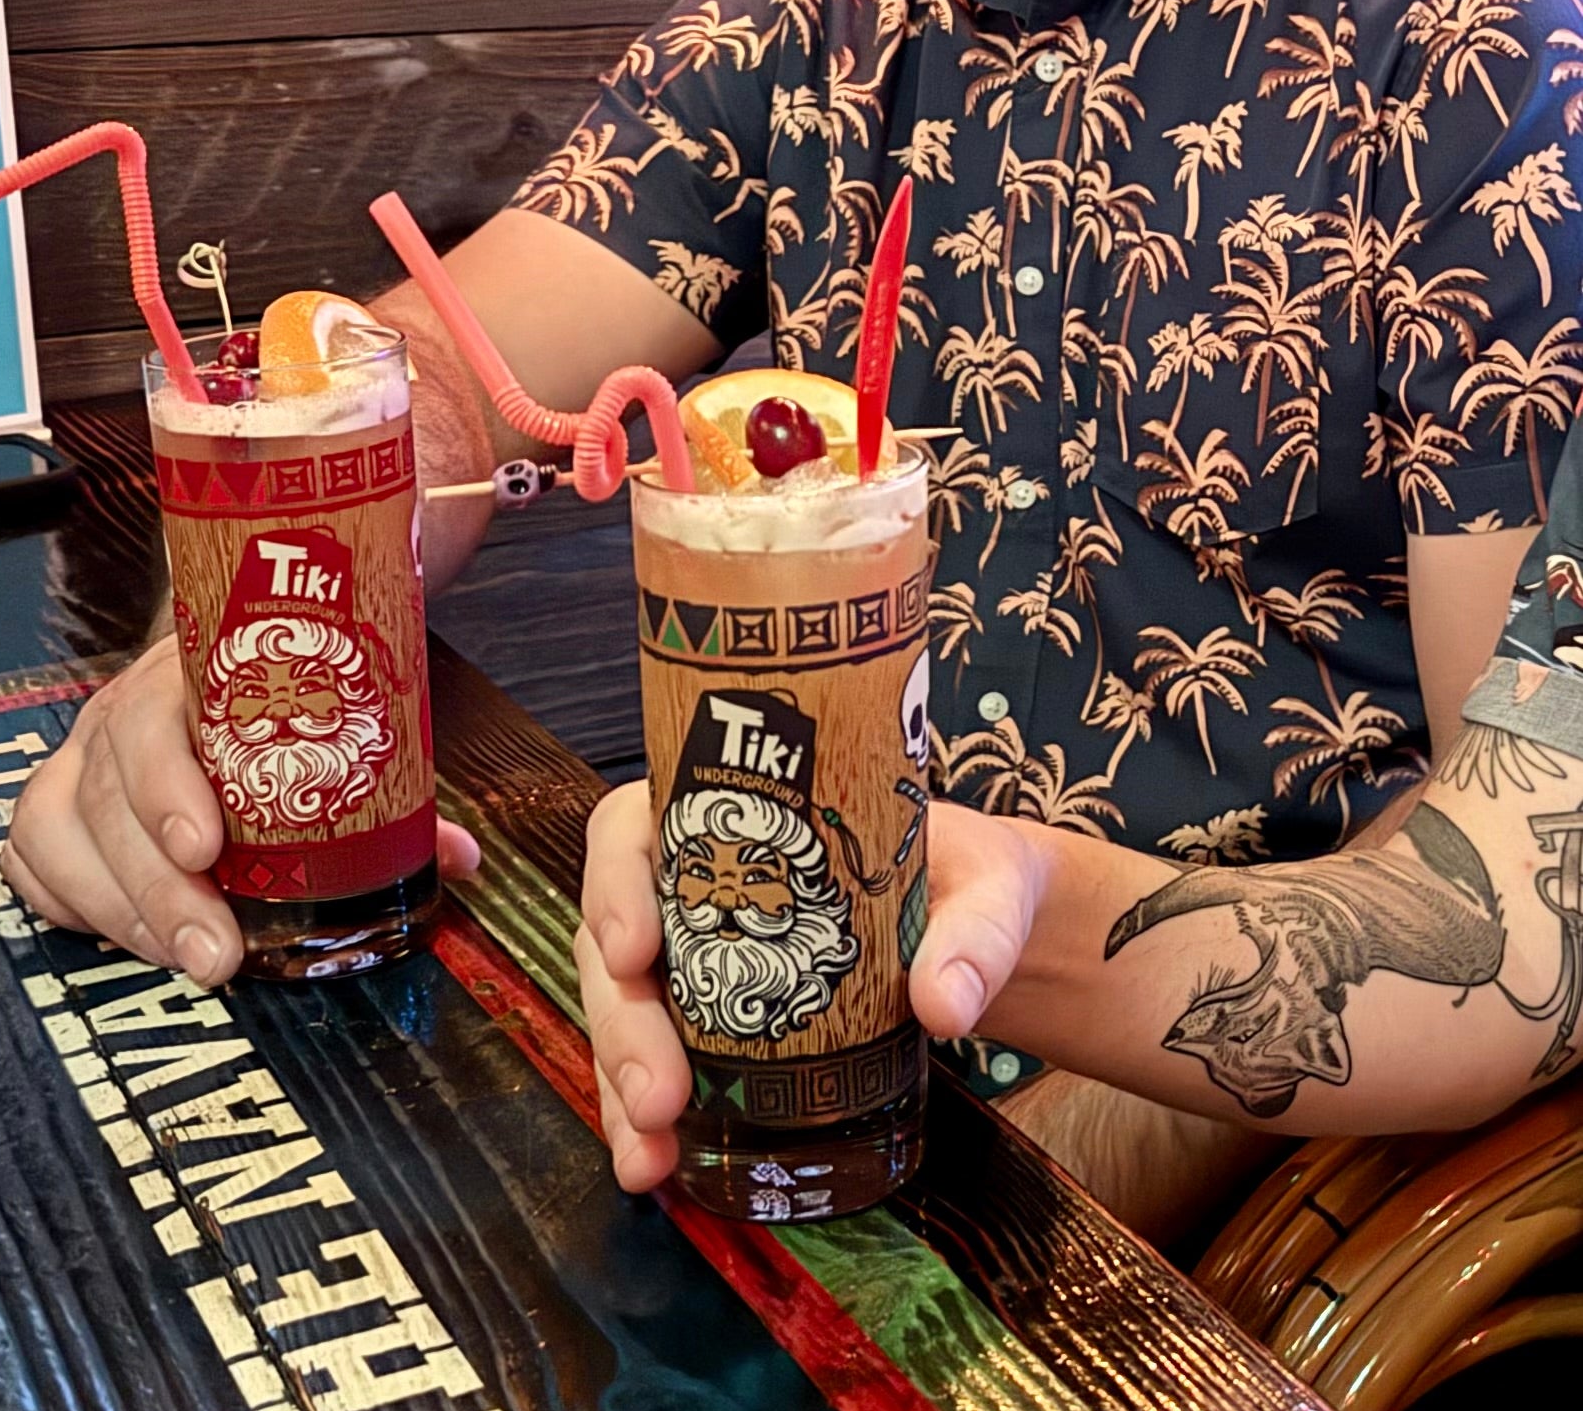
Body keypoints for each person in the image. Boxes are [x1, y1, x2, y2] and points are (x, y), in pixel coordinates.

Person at [3, 0, 1583, 1229]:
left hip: (1219, 1176)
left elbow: (1519, 873)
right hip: (781, 1053)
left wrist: (1030, 983)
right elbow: (442, 371)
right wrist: (267, 604)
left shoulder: (1482, 31)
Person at [582, 425, 1583, 1235]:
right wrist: (947, 899)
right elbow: (1511, 887)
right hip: (875, 1138)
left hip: (1202, 1222)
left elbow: (1520, 932)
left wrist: (991, 910)